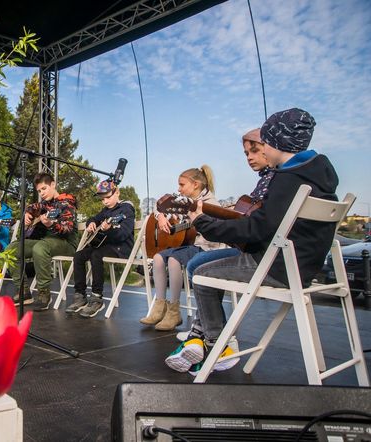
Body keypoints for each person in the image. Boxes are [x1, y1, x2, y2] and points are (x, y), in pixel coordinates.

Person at [165, 108, 338, 374]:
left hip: (275, 267)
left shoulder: (287, 179)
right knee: (204, 268)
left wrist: (201, 222)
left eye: (265, 143)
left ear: (278, 142)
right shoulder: (317, 175)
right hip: (303, 267)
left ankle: (217, 343)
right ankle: (204, 338)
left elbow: (255, 230)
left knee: (200, 273)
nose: (263, 149)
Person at [139, 165, 225, 331]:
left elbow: (213, 235)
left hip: (207, 248)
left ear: (195, 185)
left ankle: (174, 310)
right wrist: (162, 217)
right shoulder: (185, 201)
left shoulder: (210, 204)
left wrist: (199, 222)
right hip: (191, 245)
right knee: (157, 258)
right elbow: (160, 205)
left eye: (182, 185)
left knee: (173, 260)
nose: (179, 189)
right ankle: (159, 306)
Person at [184, 128, 275, 284]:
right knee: (196, 262)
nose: (250, 158)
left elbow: (252, 225)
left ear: (269, 148)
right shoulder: (269, 181)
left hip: (264, 256)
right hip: (270, 253)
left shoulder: (272, 182)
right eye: (246, 154)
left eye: (254, 151)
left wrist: (202, 221)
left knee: (196, 266)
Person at [8, 172, 78, 311]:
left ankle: (44, 293)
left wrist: (50, 224)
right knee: (11, 249)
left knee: (39, 248)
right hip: (46, 242)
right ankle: (24, 292)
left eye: (44, 189)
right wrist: (28, 213)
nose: (42, 193)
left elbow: (67, 230)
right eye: (39, 191)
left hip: (66, 243)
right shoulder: (44, 204)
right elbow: (34, 207)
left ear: (53, 185)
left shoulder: (67, 203)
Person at [66, 180, 135, 318]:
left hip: (121, 248)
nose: (105, 201)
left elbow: (123, 234)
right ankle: (80, 295)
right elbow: (93, 218)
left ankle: (97, 298)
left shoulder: (126, 210)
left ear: (117, 192)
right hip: (105, 246)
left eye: (108, 197)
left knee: (96, 255)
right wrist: (91, 222)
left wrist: (110, 230)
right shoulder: (105, 211)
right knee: (79, 255)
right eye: (103, 199)